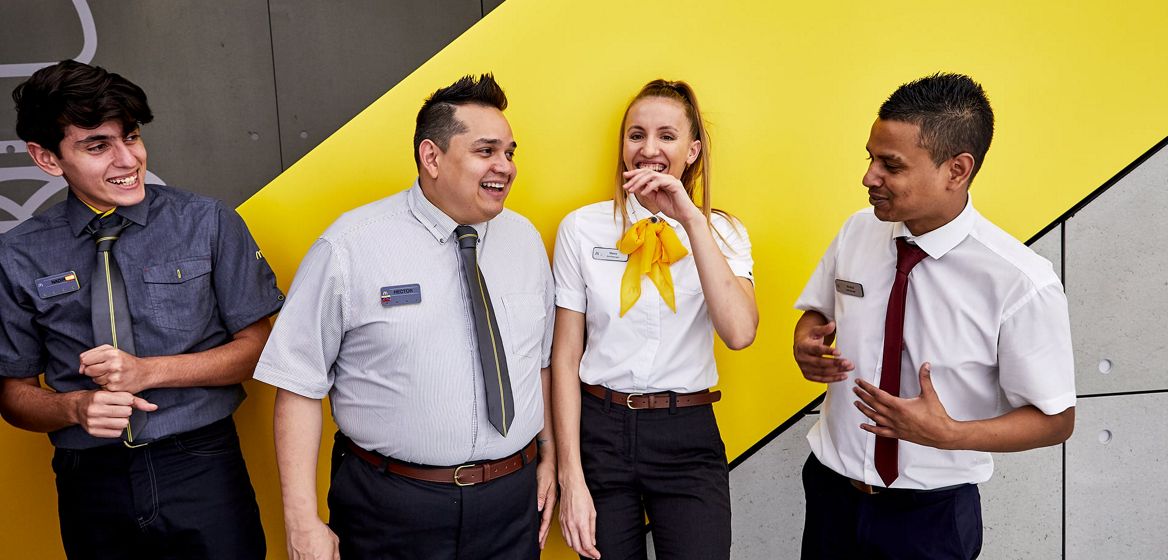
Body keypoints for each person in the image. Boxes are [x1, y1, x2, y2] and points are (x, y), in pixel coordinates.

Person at [255, 73, 557, 560]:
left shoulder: (524, 240)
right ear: (432, 157)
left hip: (511, 504)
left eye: (510, 152)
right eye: (486, 151)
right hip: (390, 508)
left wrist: (551, 453)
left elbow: (536, 363)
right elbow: (297, 383)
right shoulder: (351, 246)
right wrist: (300, 521)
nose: (505, 166)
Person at [0, 60, 282, 559]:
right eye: (97, 146)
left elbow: (259, 350)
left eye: (131, 137)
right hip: (89, 477)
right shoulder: (17, 254)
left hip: (201, 464)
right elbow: (13, 394)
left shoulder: (208, 222)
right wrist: (73, 408)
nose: (128, 159)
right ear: (46, 158)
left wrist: (146, 372)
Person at [792, 72, 1076, 559]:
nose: (869, 177)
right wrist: (806, 342)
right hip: (830, 495)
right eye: (870, 158)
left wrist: (949, 434)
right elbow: (818, 310)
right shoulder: (857, 232)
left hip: (931, 519)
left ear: (956, 169)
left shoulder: (1022, 283)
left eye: (891, 165)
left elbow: (1056, 420)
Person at [552, 79, 758, 560]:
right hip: (599, 432)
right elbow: (564, 357)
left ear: (693, 150)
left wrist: (690, 219)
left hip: (686, 434)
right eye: (636, 135)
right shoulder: (581, 228)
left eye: (667, 136)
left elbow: (740, 332)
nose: (649, 149)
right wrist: (571, 476)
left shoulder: (723, 233)